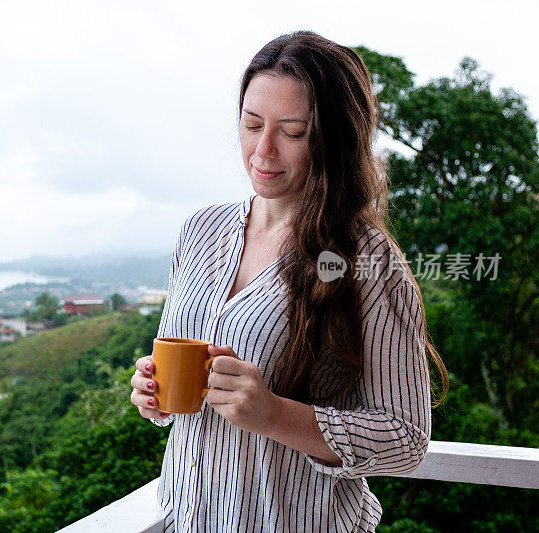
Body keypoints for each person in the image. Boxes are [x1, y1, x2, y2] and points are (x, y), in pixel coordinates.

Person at [129, 31, 448, 532]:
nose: (263, 150)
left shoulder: (366, 261)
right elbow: (179, 372)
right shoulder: (200, 231)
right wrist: (154, 393)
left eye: (292, 132)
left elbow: (406, 440)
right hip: (186, 519)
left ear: (333, 139)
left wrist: (275, 414)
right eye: (251, 124)